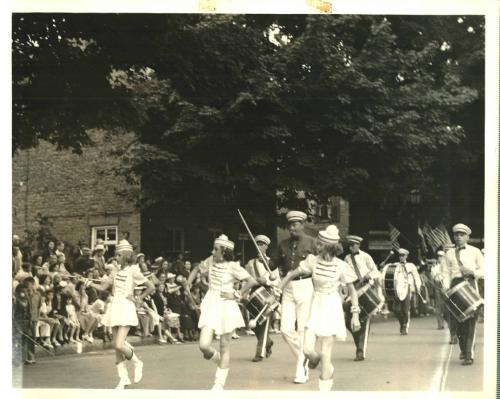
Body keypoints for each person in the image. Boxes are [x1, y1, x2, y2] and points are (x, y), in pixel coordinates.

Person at [278, 225, 361, 391]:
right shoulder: (312, 261)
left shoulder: (341, 266)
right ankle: (327, 367)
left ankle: (324, 389)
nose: (316, 246)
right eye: (318, 243)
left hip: (331, 307)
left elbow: (352, 290)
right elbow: (292, 274)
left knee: (325, 352)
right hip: (314, 304)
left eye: (320, 244)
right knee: (308, 350)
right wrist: (279, 286)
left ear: (330, 246)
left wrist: (355, 314)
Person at [186, 234, 258, 390]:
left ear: (224, 251)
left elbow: (251, 281)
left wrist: (237, 294)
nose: (212, 252)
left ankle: (219, 383)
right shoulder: (210, 261)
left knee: (224, 346)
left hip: (226, 305)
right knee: (204, 345)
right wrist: (188, 282)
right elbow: (198, 268)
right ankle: (218, 359)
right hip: (211, 303)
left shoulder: (233, 266)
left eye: (216, 249)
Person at [88, 239, 155, 388]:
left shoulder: (134, 270)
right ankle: (123, 378)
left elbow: (151, 287)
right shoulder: (114, 270)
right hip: (114, 306)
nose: (115, 258)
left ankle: (138, 362)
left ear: (126, 255)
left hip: (126, 306)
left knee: (119, 344)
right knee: (116, 347)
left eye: (118, 255)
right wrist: (89, 283)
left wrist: (138, 298)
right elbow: (104, 286)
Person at [270, 210, 315, 383]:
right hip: (287, 288)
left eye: (295, 225)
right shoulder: (283, 244)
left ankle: (301, 370)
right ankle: (305, 356)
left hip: (305, 285)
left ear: (302, 225)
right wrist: (266, 266)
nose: (291, 228)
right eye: (290, 225)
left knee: (302, 329)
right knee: (285, 329)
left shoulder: (312, 243)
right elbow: (272, 264)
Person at [442, 223, 484, 366]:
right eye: (456, 235)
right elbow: (445, 273)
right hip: (454, 287)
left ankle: (469, 355)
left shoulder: (475, 251)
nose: (459, 237)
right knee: (457, 323)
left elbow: (485, 270)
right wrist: (446, 287)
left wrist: (473, 272)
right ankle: (464, 349)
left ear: (467, 237)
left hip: (470, 286)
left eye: (462, 235)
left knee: (470, 322)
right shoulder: (449, 253)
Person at [343, 235, 381, 361]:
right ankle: (358, 343)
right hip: (352, 291)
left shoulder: (366, 256)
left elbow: (376, 272)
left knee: (364, 320)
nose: (351, 247)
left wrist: (368, 277)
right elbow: (344, 275)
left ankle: (360, 351)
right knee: (349, 322)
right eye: (350, 245)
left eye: (353, 245)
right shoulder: (347, 258)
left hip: (365, 289)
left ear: (358, 245)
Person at [244, 234, 280, 362]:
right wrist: (244, 292)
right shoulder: (250, 263)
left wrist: (267, 281)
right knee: (255, 324)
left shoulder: (272, 263)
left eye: (262, 244)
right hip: (254, 293)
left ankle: (260, 352)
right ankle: (268, 342)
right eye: (257, 244)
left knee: (264, 323)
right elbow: (246, 279)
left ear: (266, 246)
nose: (259, 246)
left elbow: (277, 282)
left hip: (267, 294)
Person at [386, 248, 421, 335]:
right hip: (398, 289)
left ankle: (405, 326)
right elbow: (387, 271)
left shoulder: (411, 266)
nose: (401, 257)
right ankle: (402, 323)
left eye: (403, 255)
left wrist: (418, 286)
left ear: (406, 256)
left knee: (405, 309)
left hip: (408, 288)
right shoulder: (395, 265)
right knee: (395, 309)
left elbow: (416, 277)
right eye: (400, 255)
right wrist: (383, 266)